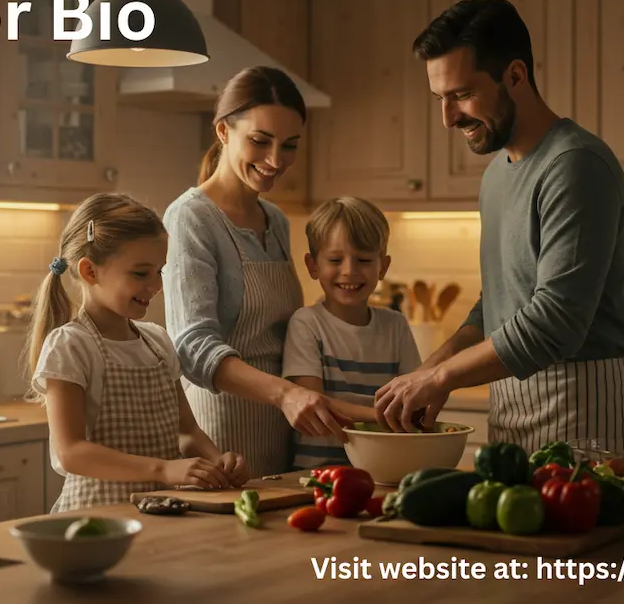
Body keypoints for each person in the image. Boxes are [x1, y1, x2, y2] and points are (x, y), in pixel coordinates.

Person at [375, 0, 624, 452]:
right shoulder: (496, 174)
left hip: (586, 408)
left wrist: (444, 375)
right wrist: (430, 372)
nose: (448, 118)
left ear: (516, 76)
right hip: (510, 406)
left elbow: (555, 322)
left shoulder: (574, 164)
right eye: (440, 99)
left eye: (462, 95)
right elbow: (498, 306)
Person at [165, 66, 353, 478]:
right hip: (220, 435)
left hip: (288, 428)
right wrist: (285, 393)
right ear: (222, 132)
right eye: (259, 141)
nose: (275, 160)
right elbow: (192, 348)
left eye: (289, 146)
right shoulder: (190, 218)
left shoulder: (276, 219)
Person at [28, 193, 248, 514]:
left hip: (163, 513)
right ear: (90, 272)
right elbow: (71, 452)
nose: (155, 285)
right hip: (99, 518)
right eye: (140, 273)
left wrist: (217, 462)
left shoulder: (157, 342)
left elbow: (186, 432)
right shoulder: (71, 346)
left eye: (159, 272)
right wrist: (162, 469)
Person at [281, 197, 422, 468]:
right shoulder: (306, 323)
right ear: (313, 265)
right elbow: (314, 403)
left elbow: (412, 396)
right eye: (335, 259)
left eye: (364, 259)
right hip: (318, 475)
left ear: (383, 266)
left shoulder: (396, 325)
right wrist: (384, 417)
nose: (349, 271)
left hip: (385, 469)